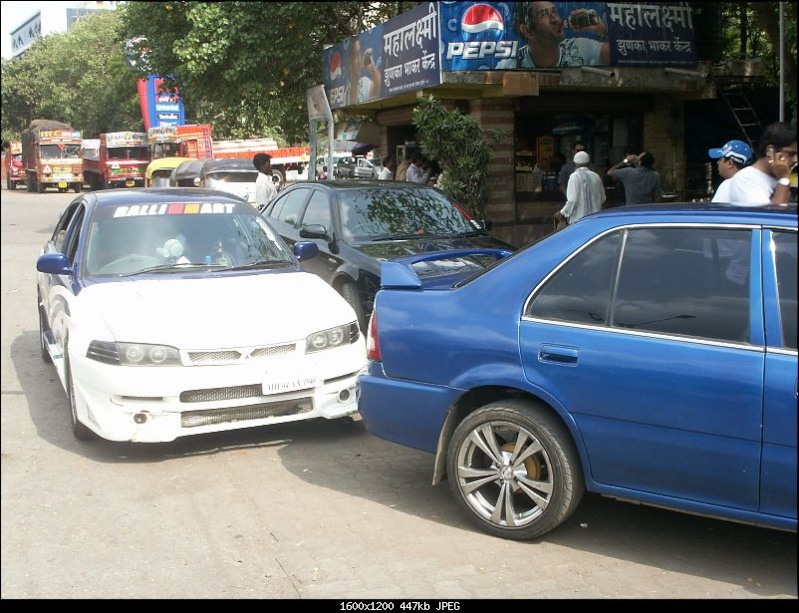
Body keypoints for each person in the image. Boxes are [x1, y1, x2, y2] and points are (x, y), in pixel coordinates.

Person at [497, 1, 610, 69]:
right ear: (527, 31)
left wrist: (603, 31)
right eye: (544, 14)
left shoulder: (580, 48)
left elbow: (622, 55)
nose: (555, 19)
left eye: (554, 12)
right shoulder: (510, 66)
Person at [725, 122, 797, 206]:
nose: (795, 159)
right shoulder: (745, 180)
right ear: (771, 151)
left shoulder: (781, 175)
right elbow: (772, 217)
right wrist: (784, 180)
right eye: (791, 154)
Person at [554, 150, 606, 225]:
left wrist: (561, 213)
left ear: (574, 164)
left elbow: (573, 200)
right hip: (595, 220)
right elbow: (603, 198)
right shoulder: (596, 176)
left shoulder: (574, 177)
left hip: (579, 222)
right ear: (588, 164)